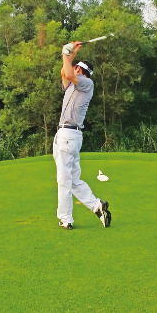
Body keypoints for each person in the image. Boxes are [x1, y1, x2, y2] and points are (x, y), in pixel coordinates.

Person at [53, 41, 111, 230]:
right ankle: (97, 206)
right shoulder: (71, 84)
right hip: (67, 135)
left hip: (69, 135)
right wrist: (72, 53)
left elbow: (68, 72)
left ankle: (66, 219)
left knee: (64, 181)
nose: (72, 68)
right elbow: (65, 72)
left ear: (80, 70)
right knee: (74, 180)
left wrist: (65, 51)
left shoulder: (86, 83)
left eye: (76, 67)